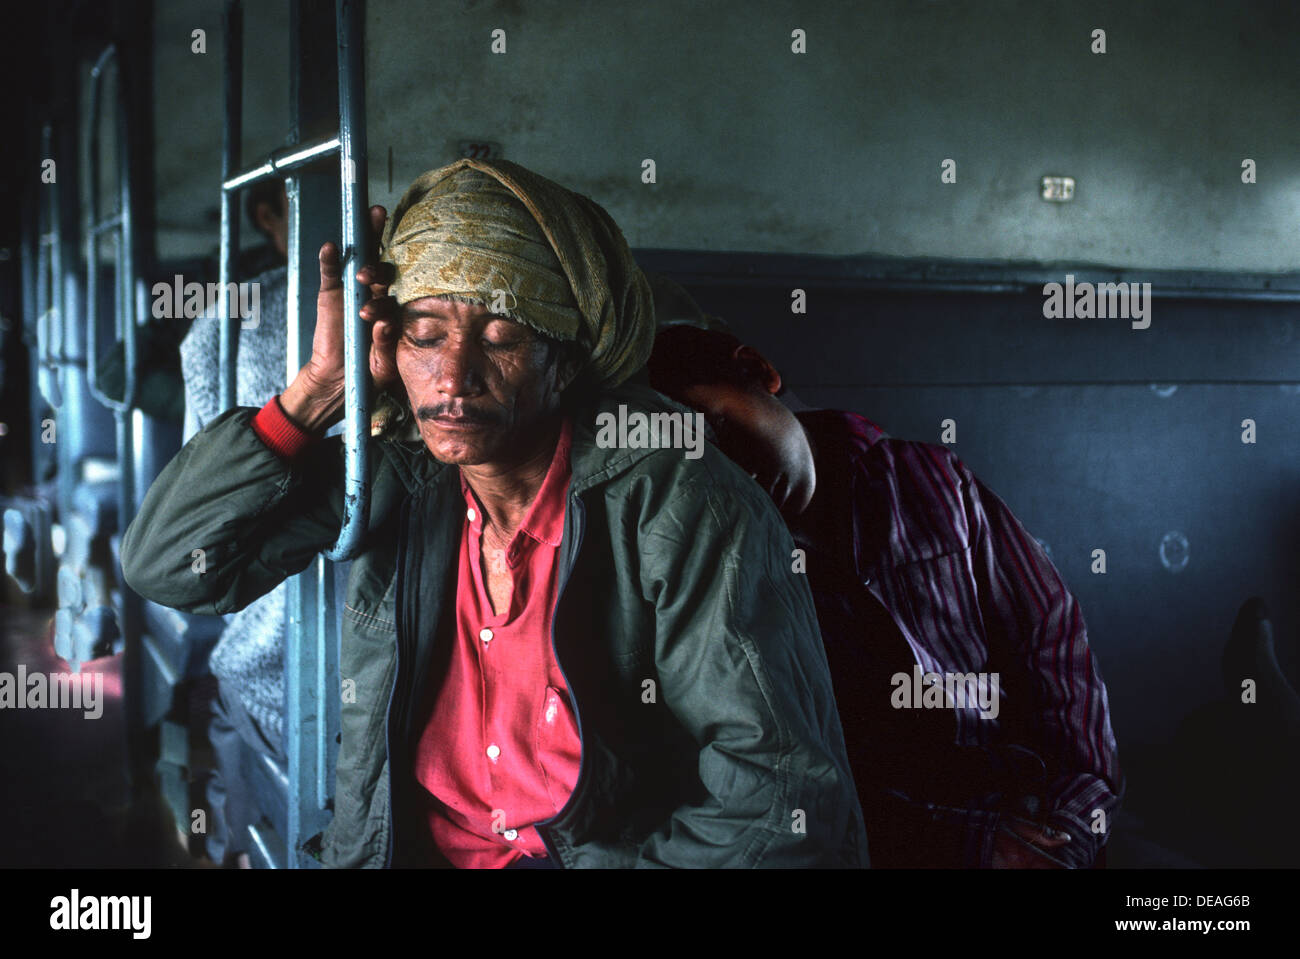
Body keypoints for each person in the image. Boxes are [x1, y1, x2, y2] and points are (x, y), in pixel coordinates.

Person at [121, 158, 868, 868]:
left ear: (567, 358)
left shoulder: (679, 505)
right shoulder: (403, 479)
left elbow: (780, 800)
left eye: (502, 336)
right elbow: (169, 565)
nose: (453, 376)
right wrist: (317, 390)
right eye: (424, 333)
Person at [645, 274, 1124, 868]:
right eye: (691, 461)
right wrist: (967, 844)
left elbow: (1055, 648)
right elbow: (777, 782)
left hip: (1041, 816)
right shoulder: (700, 562)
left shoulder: (930, 481)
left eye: (716, 426)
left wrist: (1073, 822)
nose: (727, 474)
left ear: (758, 369)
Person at [178, 178, 290, 867]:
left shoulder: (427, 320)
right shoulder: (229, 325)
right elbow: (197, 519)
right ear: (266, 215)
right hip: (270, 652)